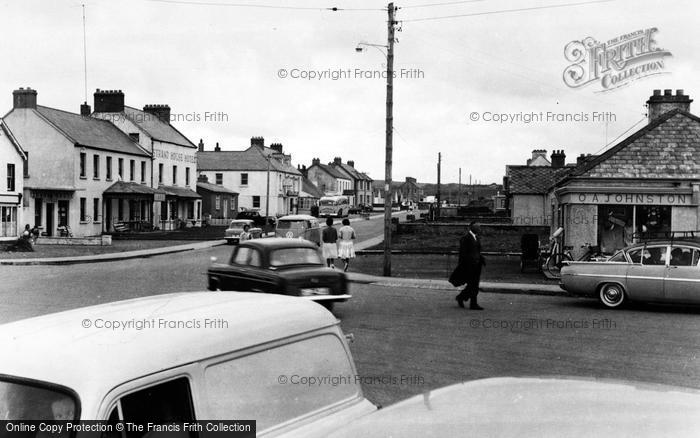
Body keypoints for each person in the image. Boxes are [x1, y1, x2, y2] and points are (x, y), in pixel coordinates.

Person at [454, 222, 486, 310]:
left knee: (473, 285)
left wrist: (480, 259)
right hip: (469, 266)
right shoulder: (465, 238)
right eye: (478, 227)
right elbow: (463, 254)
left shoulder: (477, 238)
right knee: (473, 285)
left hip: (477, 265)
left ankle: (461, 297)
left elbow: (477, 251)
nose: (480, 229)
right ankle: (473, 303)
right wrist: (462, 265)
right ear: (472, 228)